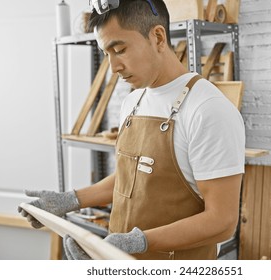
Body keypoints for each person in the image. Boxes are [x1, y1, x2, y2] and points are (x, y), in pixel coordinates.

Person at [19, 0, 245, 260]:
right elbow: (132, 178)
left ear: (158, 37)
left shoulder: (208, 110)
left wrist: (137, 242)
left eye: (120, 49)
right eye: (106, 54)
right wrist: (70, 200)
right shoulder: (133, 101)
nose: (113, 67)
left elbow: (222, 221)